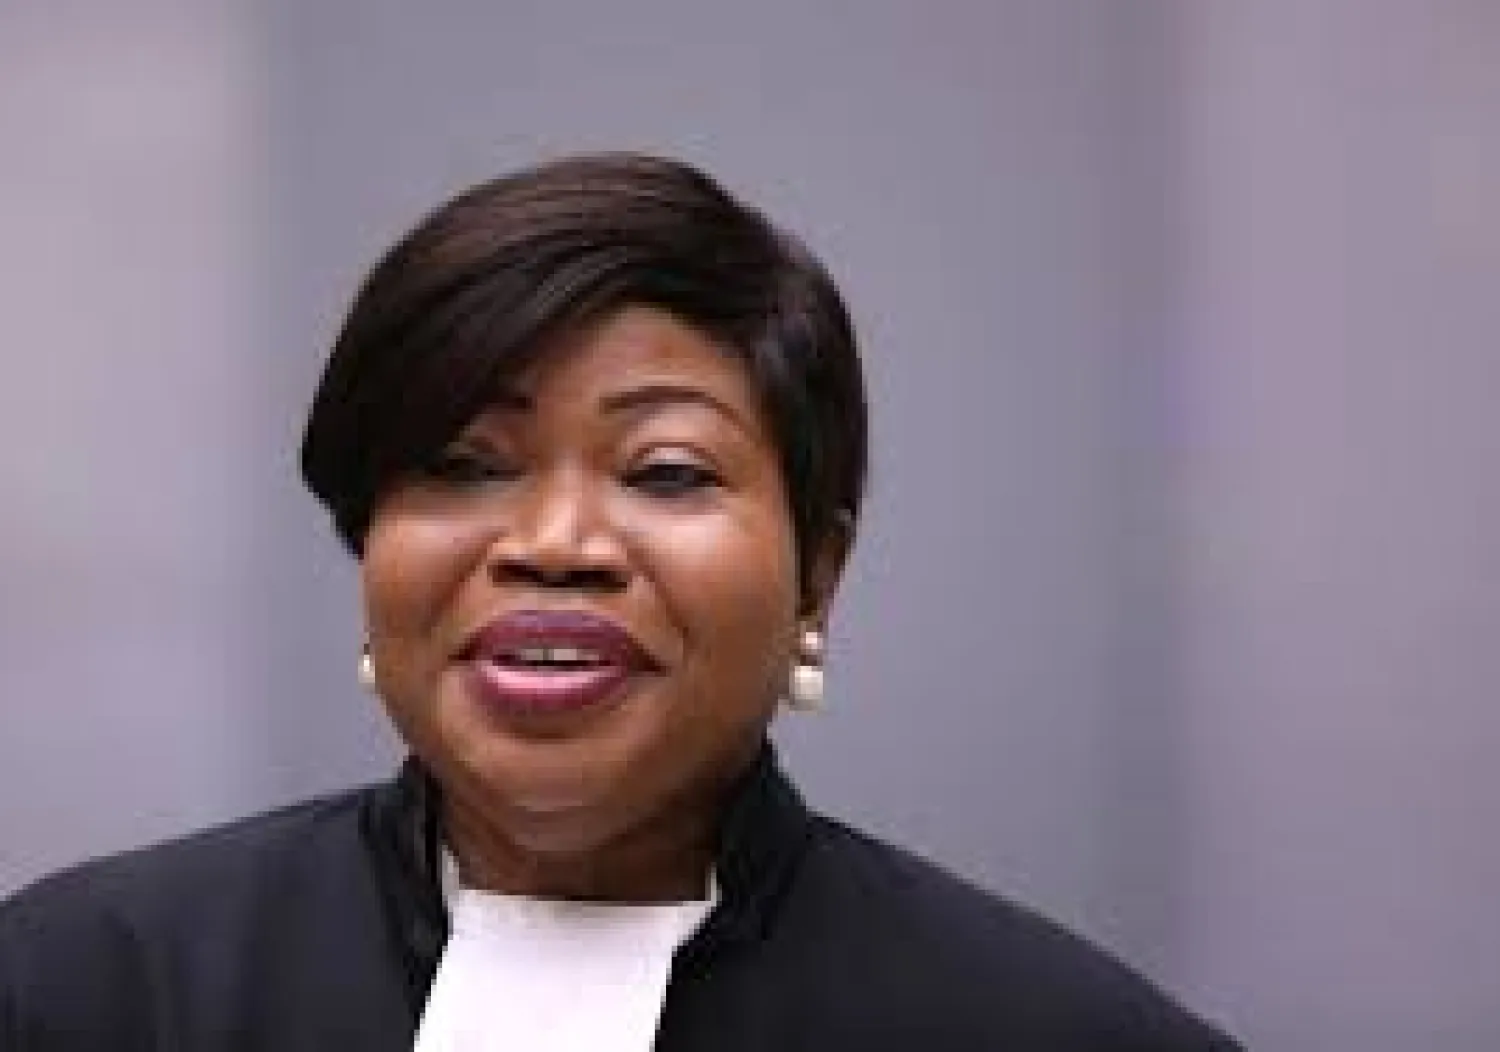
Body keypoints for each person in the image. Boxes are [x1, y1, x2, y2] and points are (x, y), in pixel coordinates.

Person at [0, 153, 1239, 1050]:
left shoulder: (1054, 1031)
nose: (556, 542)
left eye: (666, 472)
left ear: (820, 570)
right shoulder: (83, 988)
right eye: (466, 464)